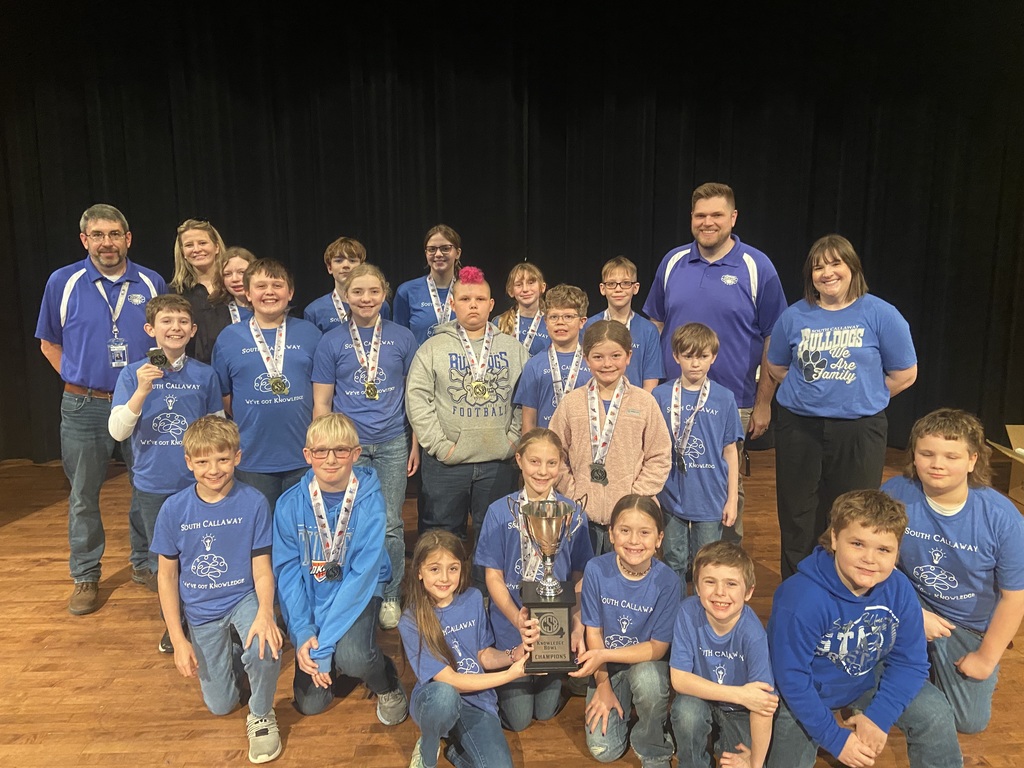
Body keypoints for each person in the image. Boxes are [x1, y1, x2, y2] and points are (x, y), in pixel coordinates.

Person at [766, 490, 962, 768]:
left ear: (897, 551)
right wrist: (835, 739)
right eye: (858, 543)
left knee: (935, 712)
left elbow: (912, 663)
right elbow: (792, 678)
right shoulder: (800, 599)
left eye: (883, 549)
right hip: (806, 689)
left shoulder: (899, 588)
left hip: (865, 675)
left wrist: (879, 718)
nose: (870, 559)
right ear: (834, 538)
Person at [36, 203, 167, 615]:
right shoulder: (63, 281)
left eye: (115, 235)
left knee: (145, 489)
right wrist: (78, 378)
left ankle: (144, 564)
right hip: (84, 405)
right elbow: (48, 342)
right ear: (84, 240)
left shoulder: (151, 280)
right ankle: (86, 575)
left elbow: (165, 338)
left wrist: (153, 387)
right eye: (98, 235)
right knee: (82, 495)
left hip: (141, 403)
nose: (107, 243)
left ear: (128, 239)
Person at [643, 182, 788, 544]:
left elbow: (774, 336)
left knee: (725, 486)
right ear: (692, 218)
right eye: (700, 215)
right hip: (669, 401)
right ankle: (676, 568)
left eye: (717, 215)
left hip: (733, 402)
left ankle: (722, 570)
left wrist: (764, 402)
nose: (708, 222)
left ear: (733, 218)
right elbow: (654, 327)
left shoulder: (757, 266)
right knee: (668, 479)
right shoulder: (673, 261)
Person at [766, 234, 918, 578]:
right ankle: (798, 584)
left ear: (852, 268)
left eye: (835, 263)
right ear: (810, 275)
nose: (827, 273)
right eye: (818, 266)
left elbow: (905, 373)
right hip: (798, 429)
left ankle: (845, 585)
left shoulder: (881, 314)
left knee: (854, 514)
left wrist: (862, 396)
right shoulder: (794, 316)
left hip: (858, 431)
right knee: (797, 514)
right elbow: (776, 367)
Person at [151, 416, 284, 765]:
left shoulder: (254, 502)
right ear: (188, 462)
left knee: (266, 645)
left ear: (237, 457)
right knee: (221, 705)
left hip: (242, 597)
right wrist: (179, 640)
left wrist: (266, 613)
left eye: (223, 459)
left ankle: (261, 714)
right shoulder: (173, 509)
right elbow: (166, 577)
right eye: (203, 461)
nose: (214, 469)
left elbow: (261, 568)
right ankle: (236, 660)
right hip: (200, 610)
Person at [882, 408, 1024, 733]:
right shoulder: (897, 493)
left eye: (951, 456)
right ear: (914, 456)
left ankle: (919, 668)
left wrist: (986, 658)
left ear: (973, 460)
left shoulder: (1003, 520)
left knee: (969, 722)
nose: (937, 464)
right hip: (911, 599)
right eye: (927, 453)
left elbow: (1014, 599)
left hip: (966, 624)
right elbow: (871, 559)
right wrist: (910, 612)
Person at [272, 413, 409, 724]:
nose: (330, 459)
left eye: (341, 451)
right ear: (307, 455)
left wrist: (324, 648)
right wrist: (304, 631)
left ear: (356, 454)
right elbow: (289, 573)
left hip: (358, 591)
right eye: (321, 451)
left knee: (355, 657)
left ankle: (385, 680)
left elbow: (362, 577)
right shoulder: (288, 504)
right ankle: (338, 656)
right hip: (313, 593)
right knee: (310, 704)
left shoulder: (371, 503)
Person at [311, 263, 418, 630]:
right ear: (345, 295)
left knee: (390, 522)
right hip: (347, 447)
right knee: (346, 521)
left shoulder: (403, 338)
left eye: (373, 291)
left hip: (391, 442)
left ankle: (389, 593)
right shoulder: (331, 341)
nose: (365, 298)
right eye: (358, 292)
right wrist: (324, 448)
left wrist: (414, 443)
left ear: (384, 294)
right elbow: (322, 403)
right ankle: (356, 590)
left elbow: (415, 397)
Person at [474, 428, 594, 731]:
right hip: (511, 624)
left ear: (561, 465)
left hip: (555, 628)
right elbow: (493, 577)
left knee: (544, 711)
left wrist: (576, 625)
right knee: (518, 720)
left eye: (551, 463)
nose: (542, 471)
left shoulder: (574, 515)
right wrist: (518, 621)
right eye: (534, 461)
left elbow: (579, 574)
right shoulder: (499, 512)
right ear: (519, 460)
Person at [108, 295, 223, 594]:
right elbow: (118, 432)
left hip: (197, 481)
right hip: (153, 483)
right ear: (150, 329)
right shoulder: (133, 374)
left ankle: (202, 615)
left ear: (193, 329)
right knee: (163, 558)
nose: (176, 328)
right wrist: (142, 391)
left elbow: (217, 429)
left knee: (199, 551)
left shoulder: (204, 374)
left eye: (183, 321)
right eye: (167, 321)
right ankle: (173, 622)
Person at [405, 266, 529, 538]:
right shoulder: (433, 348)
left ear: (491, 304)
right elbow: (417, 399)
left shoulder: (513, 349)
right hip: (446, 463)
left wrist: (513, 441)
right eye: (465, 299)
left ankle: (487, 584)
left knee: (497, 539)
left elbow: (525, 399)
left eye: (480, 299)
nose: (473, 305)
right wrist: (440, 446)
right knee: (441, 541)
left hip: (499, 461)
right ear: (453, 303)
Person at [399, 530, 537, 768]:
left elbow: (482, 655)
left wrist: (514, 654)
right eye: (434, 569)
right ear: (419, 571)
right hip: (435, 702)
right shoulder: (410, 620)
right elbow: (450, 681)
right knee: (445, 696)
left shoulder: (473, 598)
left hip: (477, 700)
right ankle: (428, 746)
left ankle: (454, 751)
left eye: (452, 568)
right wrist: (510, 674)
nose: (444, 578)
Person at [569, 495, 678, 767]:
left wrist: (603, 654)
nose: (633, 541)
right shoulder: (596, 570)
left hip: (645, 664)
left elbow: (658, 648)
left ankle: (652, 741)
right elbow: (593, 632)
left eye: (644, 532)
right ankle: (624, 702)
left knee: (649, 683)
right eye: (625, 530)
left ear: (659, 538)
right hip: (607, 667)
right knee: (603, 751)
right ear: (612, 533)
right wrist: (603, 685)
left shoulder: (669, 581)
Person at [549, 320, 672, 555]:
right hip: (581, 514)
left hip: (630, 520)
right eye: (598, 357)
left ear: (628, 356)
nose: (607, 364)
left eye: (615, 356)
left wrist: (636, 496)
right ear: (586, 358)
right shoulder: (571, 403)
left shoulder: (644, 402)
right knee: (583, 581)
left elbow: (660, 455)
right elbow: (555, 453)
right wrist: (573, 493)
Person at [211, 258, 322, 511]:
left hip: (304, 454)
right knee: (260, 532)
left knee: (302, 529)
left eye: (277, 285)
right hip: (253, 457)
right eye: (261, 286)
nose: (269, 292)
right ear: (248, 293)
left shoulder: (310, 333)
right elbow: (225, 395)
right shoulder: (229, 338)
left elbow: (323, 391)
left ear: (290, 292)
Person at [670, 541, 777, 768]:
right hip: (702, 698)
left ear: (748, 592)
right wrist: (740, 694)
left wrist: (755, 764)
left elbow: (763, 704)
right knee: (686, 712)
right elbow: (679, 679)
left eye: (731, 584)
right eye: (710, 582)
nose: (720, 592)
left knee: (744, 761)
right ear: (697, 587)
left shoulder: (753, 635)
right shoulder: (687, 613)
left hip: (738, 712)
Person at [652, 323, 742, 587]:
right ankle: (676, 616)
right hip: (671, 495)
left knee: (707, 562)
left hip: (711, 497)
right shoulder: (660, 395)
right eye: (688, 356)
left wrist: (732, 499)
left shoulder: (725, 398)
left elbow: (730, 452)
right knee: (674, 560)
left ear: (713, 357)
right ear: (676, 356)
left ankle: (702, 618)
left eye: (702, 356)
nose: (695, 364)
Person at [515, 283, 591, 432]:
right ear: (546, 322)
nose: (560, 322)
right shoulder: (534, 365)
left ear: (582, 322)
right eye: (554, 316)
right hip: (545, 450)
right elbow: (528, 421)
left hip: (584, 448)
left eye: (568, 316)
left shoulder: (593, 364)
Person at [584, 256, 663, 391]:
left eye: (626, 283)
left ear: (635, 287)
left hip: (634, 406)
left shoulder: (648, 330)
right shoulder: (589, 326)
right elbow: (584, 370)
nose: (618, 289)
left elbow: (651, 380)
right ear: (602, 289)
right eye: (611, 284)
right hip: (595, 403)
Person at [169, 218, 231, 363]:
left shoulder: (234, 288)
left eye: (202, 243)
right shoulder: (174, 292)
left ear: (216, 247)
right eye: (189, 245)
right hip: (193, 376)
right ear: (183, 252)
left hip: (234, 370)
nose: (197, 249)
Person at [303, 236, 392, 333]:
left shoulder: (379, 305)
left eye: (352, 260)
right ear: (329, 267)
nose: (346, 265)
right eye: (338, 260)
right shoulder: (314, 311)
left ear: (362, 267)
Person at [394, 224, 463, 345]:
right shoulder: (407, 291)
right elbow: (399, 340)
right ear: (426, 253)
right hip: (420, 363)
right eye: (432, 249)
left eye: (445, 248)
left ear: (457, 253)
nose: (438, 254)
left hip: (460, 362)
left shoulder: (470, 290)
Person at [494, 261, 549, 356]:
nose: (525, 289)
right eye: (519, 285)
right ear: (511, 291)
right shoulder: (499, 322)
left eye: (531, 283)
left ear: (542, 287)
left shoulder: (551, 322)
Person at [221, 246, 255, 324]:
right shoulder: (216, 314)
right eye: (227, 274)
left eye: (242, 272)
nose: (235, 279)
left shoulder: (272, 309)